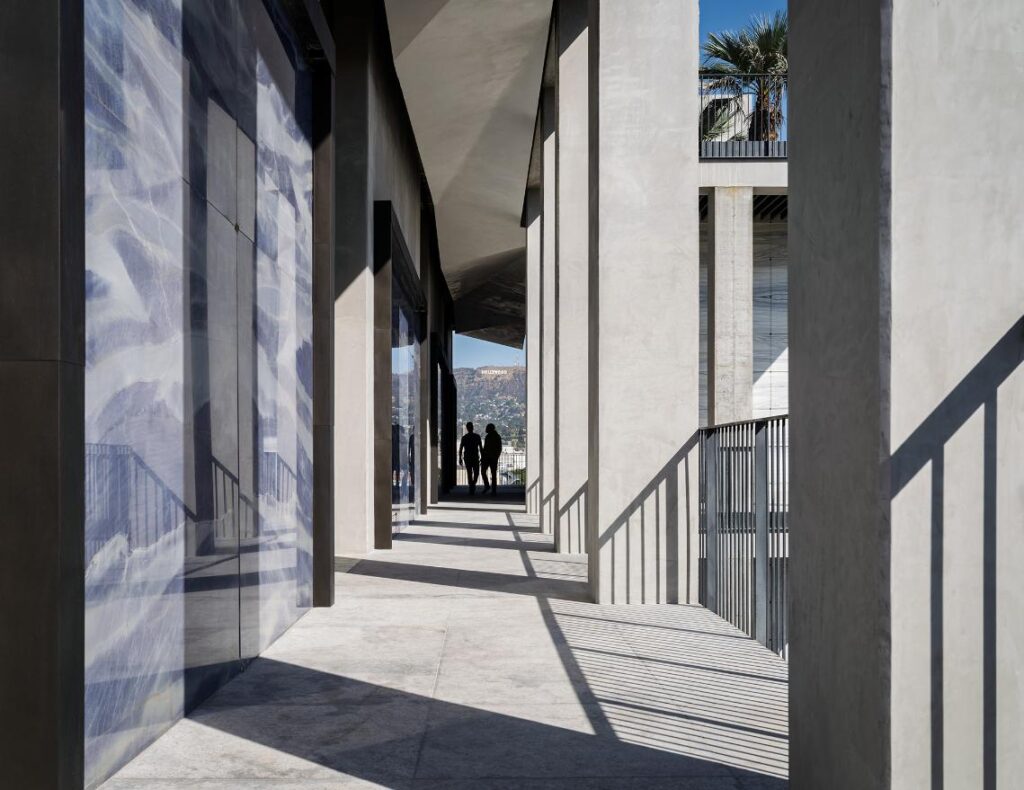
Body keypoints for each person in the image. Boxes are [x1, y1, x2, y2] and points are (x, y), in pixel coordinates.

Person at [459, 422, 483, 495]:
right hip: (475, 456)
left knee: (469, 472)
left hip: (467, 457)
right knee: (476, 472)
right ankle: (473, 485)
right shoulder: (477, 436)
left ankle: (471, 486)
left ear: (467, 428)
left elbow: (460, 449)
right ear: (473, 427)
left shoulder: (464, 437)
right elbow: (481, 448)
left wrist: (460, 458)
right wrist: (482, 457)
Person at [481, 423, 503, 495]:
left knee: (484, 472)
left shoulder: (489, 437)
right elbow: (499, 448)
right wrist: (496, 456)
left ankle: (487, 486)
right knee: (493, 474)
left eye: (487, 428)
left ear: (490, 429)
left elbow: (485, 448)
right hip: (493, 458)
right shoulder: (497, 436)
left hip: (488, 457)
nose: (485, 429)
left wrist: (483, 457)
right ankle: (493, 490)